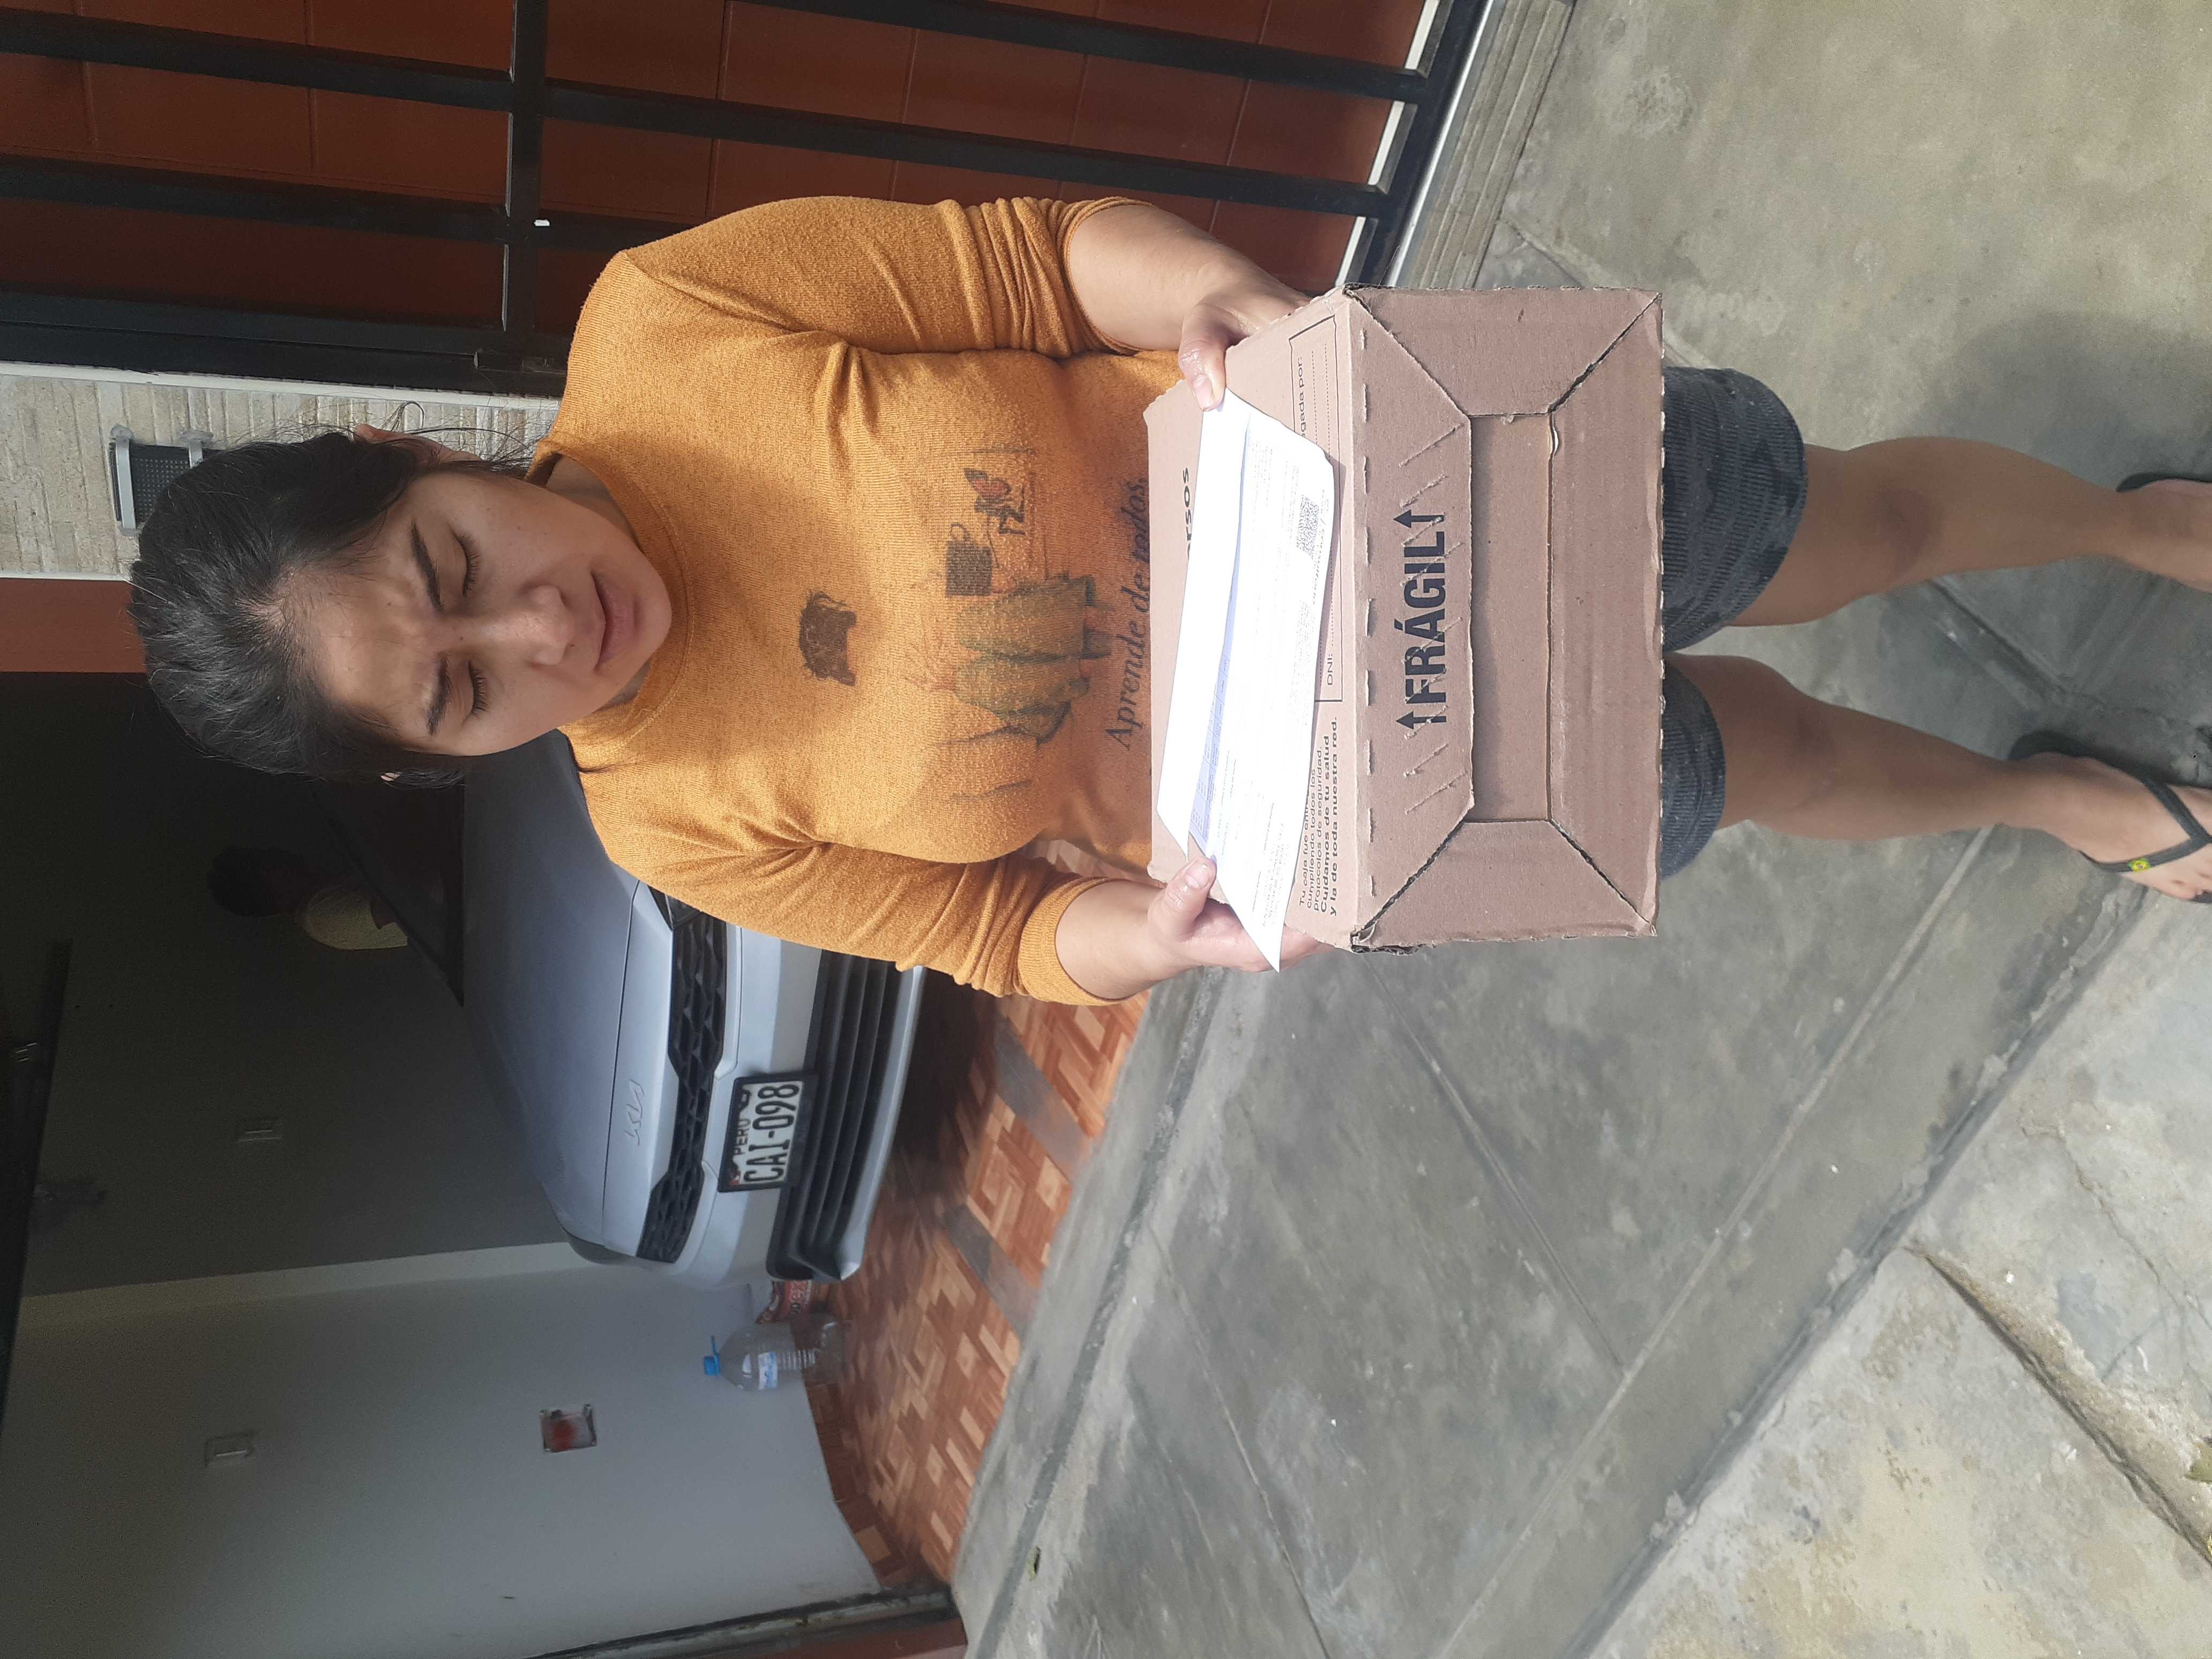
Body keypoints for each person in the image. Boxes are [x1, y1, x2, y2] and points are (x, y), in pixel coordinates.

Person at [128, 197, 2212, 1005]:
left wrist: (1222, 299)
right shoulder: (671, 824)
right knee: (1758, 764)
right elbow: (988, 935)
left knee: (1843, 530)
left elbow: (1029, 263)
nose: (536, 636)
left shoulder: (666, 328)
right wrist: (1143, 937)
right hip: (1377, 778)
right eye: (464, 691)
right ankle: (2046, 799)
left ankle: (2128, 530)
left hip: (1417, 487)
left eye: (455, 571)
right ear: (442, 764)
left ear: (415, 455)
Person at [205, 845, 409, 950]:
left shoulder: (322, 895)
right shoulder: (321, 915)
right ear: (267, 885)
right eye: (263, 859)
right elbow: (409, 903)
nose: (275, 851)